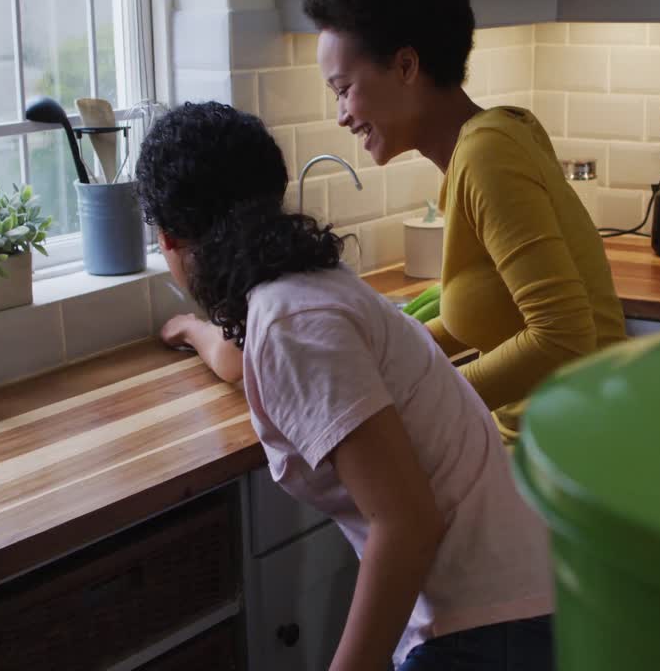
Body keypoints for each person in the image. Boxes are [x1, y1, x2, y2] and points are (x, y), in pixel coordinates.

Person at [135, 102, 555, 671]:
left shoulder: (288, 321)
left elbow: (406, 522)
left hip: (487, 625)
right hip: (516, 595)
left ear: (168, 239)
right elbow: (241, 357)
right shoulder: (300, 287)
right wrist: (192, 331)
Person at [305, 0, 628, 444]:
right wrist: (385, 361)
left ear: (407, 65)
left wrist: (421, 404)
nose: (341, 116)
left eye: (343, 89)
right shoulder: (484, 142)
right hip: (549, 445)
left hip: (571, 458)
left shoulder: (487, 155)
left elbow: (562, 337)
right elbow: (493, 314)